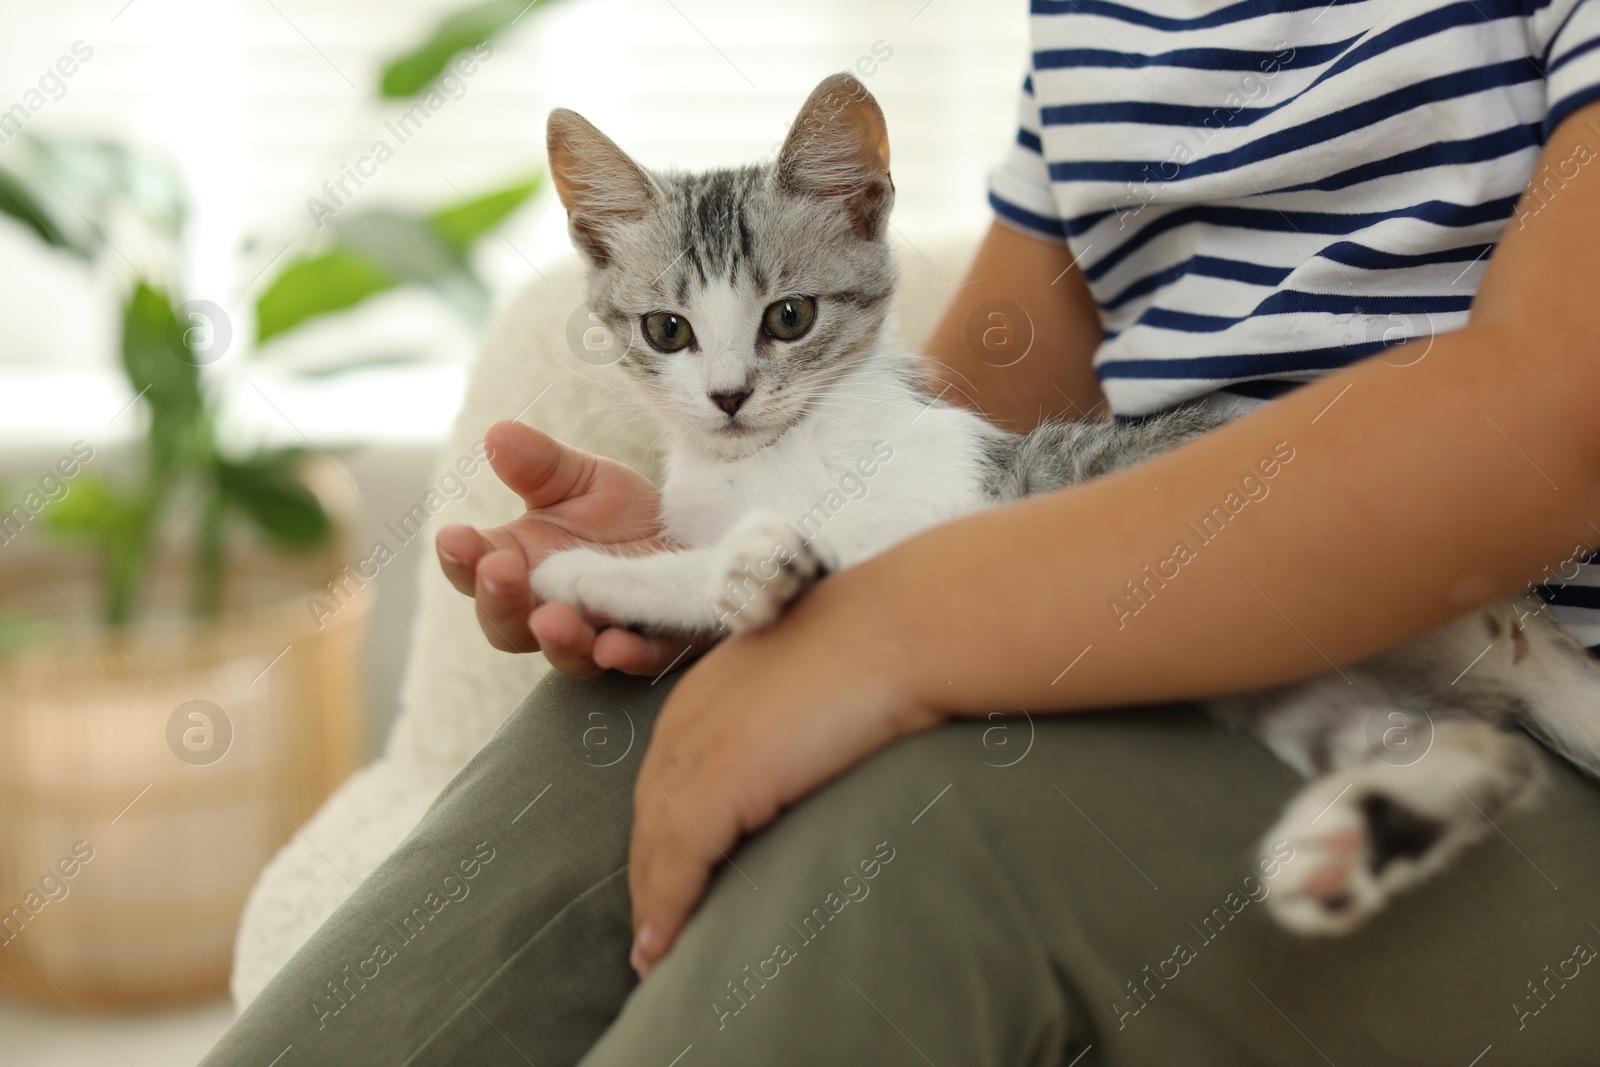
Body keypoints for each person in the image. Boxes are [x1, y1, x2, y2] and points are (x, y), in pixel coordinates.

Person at [204, 3, 1600, 1064]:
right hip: (1152, 628)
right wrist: (765, 521)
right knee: (622, 727)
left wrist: (892, 634)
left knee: (926, 828)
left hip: (1537, 719)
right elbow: (980, 416)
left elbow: (1556, 425)